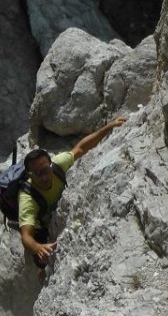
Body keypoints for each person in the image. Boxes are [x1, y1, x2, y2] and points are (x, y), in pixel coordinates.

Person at [19, 116, 127, 276]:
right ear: (30, 174)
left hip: (61, 210)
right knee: (41, 257)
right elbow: (26, 235)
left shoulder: (56, 164)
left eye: (46, 169)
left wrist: (109, 127)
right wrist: (38, 248)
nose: (44, 176)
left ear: (50, 163)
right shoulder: (28, 197)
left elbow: (81, 148)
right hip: (43, 224)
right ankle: (41, 270)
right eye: (38, 173)